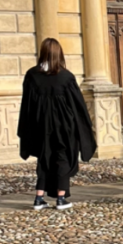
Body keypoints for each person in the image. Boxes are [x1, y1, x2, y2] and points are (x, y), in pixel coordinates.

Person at [18, 38, 97, 211]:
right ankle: (61, 199)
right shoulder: (65, 76)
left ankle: (39, 198)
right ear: (59, 53)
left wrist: (28, 127)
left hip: (41, 126)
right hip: (64, 127)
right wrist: (82, 127)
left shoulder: (32, 75)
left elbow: (27, 104)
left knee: (44, 158)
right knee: (62, 157)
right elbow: (77, 105)